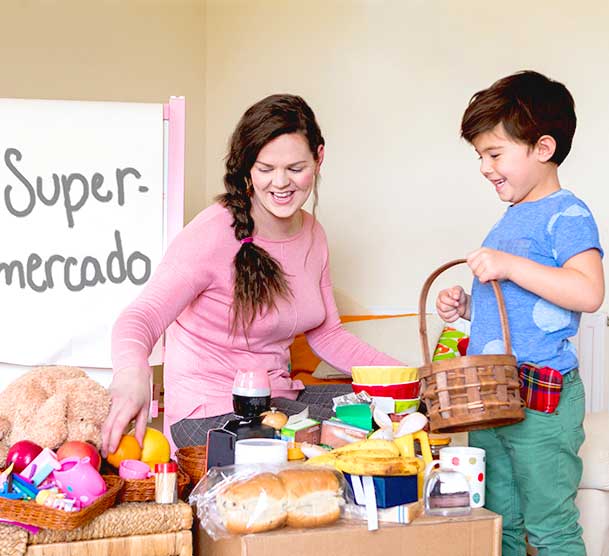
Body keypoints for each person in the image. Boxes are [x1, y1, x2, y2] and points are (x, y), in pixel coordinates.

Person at [101, 93, 401, 456]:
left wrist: (404, 380)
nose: (281, 182)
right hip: (212, 413)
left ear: (318, 158)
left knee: (388, 412)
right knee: (348, 438)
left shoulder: (313, 234)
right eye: (265, 169)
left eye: (295, 168)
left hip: (277, 400)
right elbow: (141, 317)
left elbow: (328, 334)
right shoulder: (213, 232)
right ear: (247, 168)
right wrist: (132, 374)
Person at [436, 70, 605, 556]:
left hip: (541, 397)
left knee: (550, 527)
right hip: (494, 396)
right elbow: (520, 306)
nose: (486, 167)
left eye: (494, 154)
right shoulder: (509, 218)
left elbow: (588, 291)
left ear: (543, 148)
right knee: (498, 521)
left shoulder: (567, 214)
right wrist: (469, 307)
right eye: (480, 157)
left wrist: (509, 265)